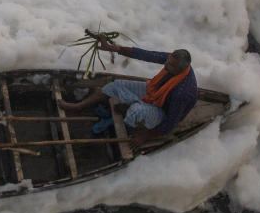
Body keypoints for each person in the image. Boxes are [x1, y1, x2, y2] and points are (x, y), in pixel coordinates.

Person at [60, 38, 197, 146]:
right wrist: (114, 48)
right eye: (167, 61)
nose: (166, 65)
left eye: (171, 65)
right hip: (155, 92)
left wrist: (145, 136)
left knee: (135, 110)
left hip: (164, 111)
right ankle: (80, 106)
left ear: (180, 68)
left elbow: (170, 123)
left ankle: (127, 115)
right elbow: (148, 55)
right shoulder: (173, 61)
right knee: (116, 86)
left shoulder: (183, 93)